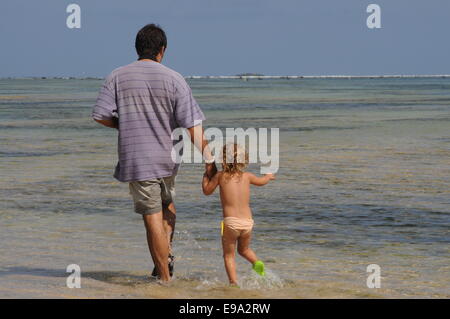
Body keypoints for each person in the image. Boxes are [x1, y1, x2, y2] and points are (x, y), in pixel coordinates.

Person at [92, 24, 216, 282]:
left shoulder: (117, 76)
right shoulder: (175, 78)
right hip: (168, 158)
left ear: (138, 49)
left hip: (138, 159)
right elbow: (192, 127)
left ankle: (164, 280)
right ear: (162, 50)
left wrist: (122, 123)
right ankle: (167, 255)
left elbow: (101, 116)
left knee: (151, 217)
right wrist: (209, 158)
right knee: (167, 204)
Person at [202, 143, 275, 285]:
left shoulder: (220, 176)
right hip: (248, 222)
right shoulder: (247, 176)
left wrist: (205, 176)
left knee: (229, 255)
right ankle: (257, 262)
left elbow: (207, 191)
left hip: (231, 223)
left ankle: (233, 283)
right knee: (244, 249)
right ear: (243, 160)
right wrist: (268, 176)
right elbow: (262, 181)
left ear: (223, 160)